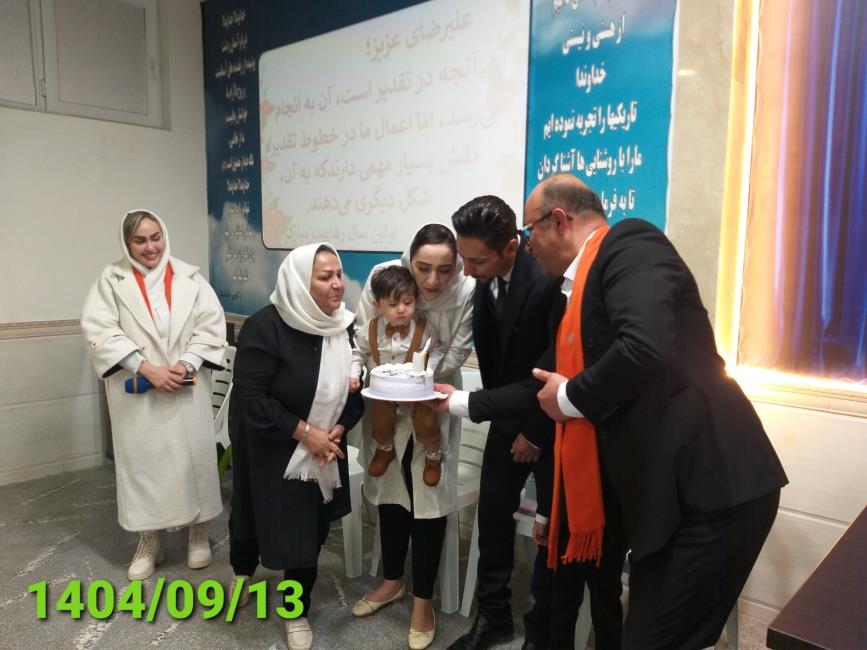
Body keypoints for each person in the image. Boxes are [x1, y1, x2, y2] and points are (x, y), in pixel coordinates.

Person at [522, 173, 788, 649]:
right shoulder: (578, 290)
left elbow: (643, 347)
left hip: (711, 487)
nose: (528, 245)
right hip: (667, 496)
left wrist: (566, 399)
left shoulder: (629, 243)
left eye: (530, 231)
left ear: (559, 221)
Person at [430, 194, 625, 650]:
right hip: (505, 417)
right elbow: (496, 362)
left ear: (512, 247)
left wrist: (534, 433)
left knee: (550, 535)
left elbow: (557, 363)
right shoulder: (483, 281)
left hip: (551, 424)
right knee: (493, 519)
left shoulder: (550, 280)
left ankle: (542, 632)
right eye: (465, 259)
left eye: (478, 261)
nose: (468, 271)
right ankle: (493, 616)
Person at [227, 243, 364, 650]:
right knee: (253, 515)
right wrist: (305, 432)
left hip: (323, 452)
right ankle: (241, 572)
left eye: (338, 274)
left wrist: (338, 428)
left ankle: (295, 609)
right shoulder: (265, 327)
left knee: (309, 530)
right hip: (271, 447)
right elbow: (251, 398)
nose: (337, 284)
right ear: (300, 283)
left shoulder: (344, 327)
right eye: (325, 277)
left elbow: (357, 390)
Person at [81, 209, 227, 581]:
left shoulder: (191, 278)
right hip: (138, 391)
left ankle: (198, 534)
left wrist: (187, 363)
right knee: (143, 468)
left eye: (155, 237)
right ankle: (149, 541)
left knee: (193, 462)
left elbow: (211, 325)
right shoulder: (110, 281)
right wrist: (146, 368)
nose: (150, 247)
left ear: (164, 236)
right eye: (140, 240)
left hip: (185, 387)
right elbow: (100, 331)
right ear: (126, 243)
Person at [351, 224, 474, 650]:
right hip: (384, 398)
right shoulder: (384, 277)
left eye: (444, 269)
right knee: (390, 492)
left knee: (428, 500)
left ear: (456, 265)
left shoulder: (465, 291)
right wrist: (388, 379)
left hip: (432, 396)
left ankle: (423, 601)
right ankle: (391, 582)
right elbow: (364, 335)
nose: (433, 280)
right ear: (410, 260)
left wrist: (415, 380)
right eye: (423, 268)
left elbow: (457, 350)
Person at [350, 265, 447, 486]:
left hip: (415, 390)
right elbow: (358, 352)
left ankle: (433, 457)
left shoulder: (424, 328)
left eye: (408, 302)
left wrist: (428, 370)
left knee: (427, 422)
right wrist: (354, 374)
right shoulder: (369, 329)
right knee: (379, 420)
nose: (402, 309)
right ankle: (385, 449)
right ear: (377, 304)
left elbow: (438, 348)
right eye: (393, 305)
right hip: (384, 391)